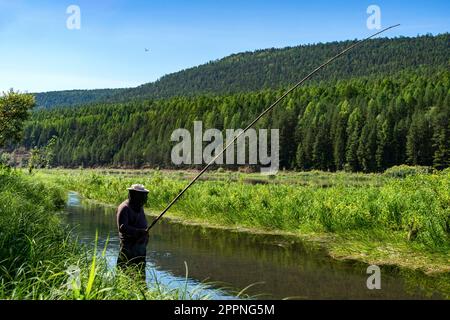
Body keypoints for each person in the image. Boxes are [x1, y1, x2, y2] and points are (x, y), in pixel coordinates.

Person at [116, 184, 149, 280]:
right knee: (124, 274)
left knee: (140, 276)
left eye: (144, 195)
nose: (143, 198)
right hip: (128, 248)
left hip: (140, 248)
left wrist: (145, 236)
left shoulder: (139, 206)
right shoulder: (124, 208)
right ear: (133, 195)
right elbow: (123, 228)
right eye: (141, 195)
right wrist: (139, 232)